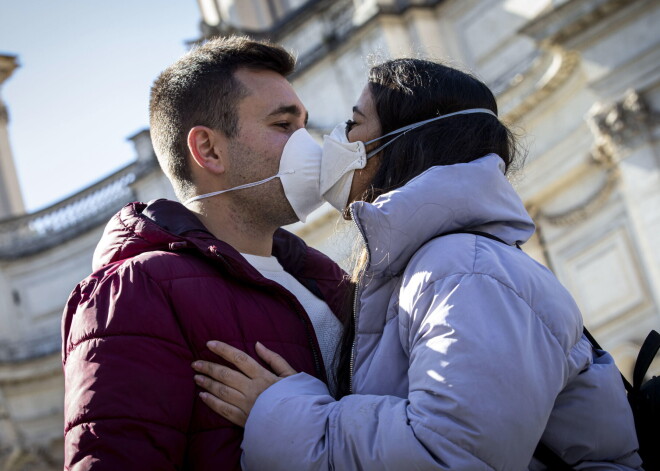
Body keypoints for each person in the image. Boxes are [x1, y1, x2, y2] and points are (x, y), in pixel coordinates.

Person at [191, 58, 643, 470]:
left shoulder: (466, 271)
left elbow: (448, 456)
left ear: (400, 144)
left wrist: (282, 411)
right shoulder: (440, 266)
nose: (333, 142)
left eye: (353, 124)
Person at [61, 36, 348, 470]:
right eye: (284, 126)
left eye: (305, 125)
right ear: (209, 150)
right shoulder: (134, 292)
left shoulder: (328, 279)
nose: (309, 145)